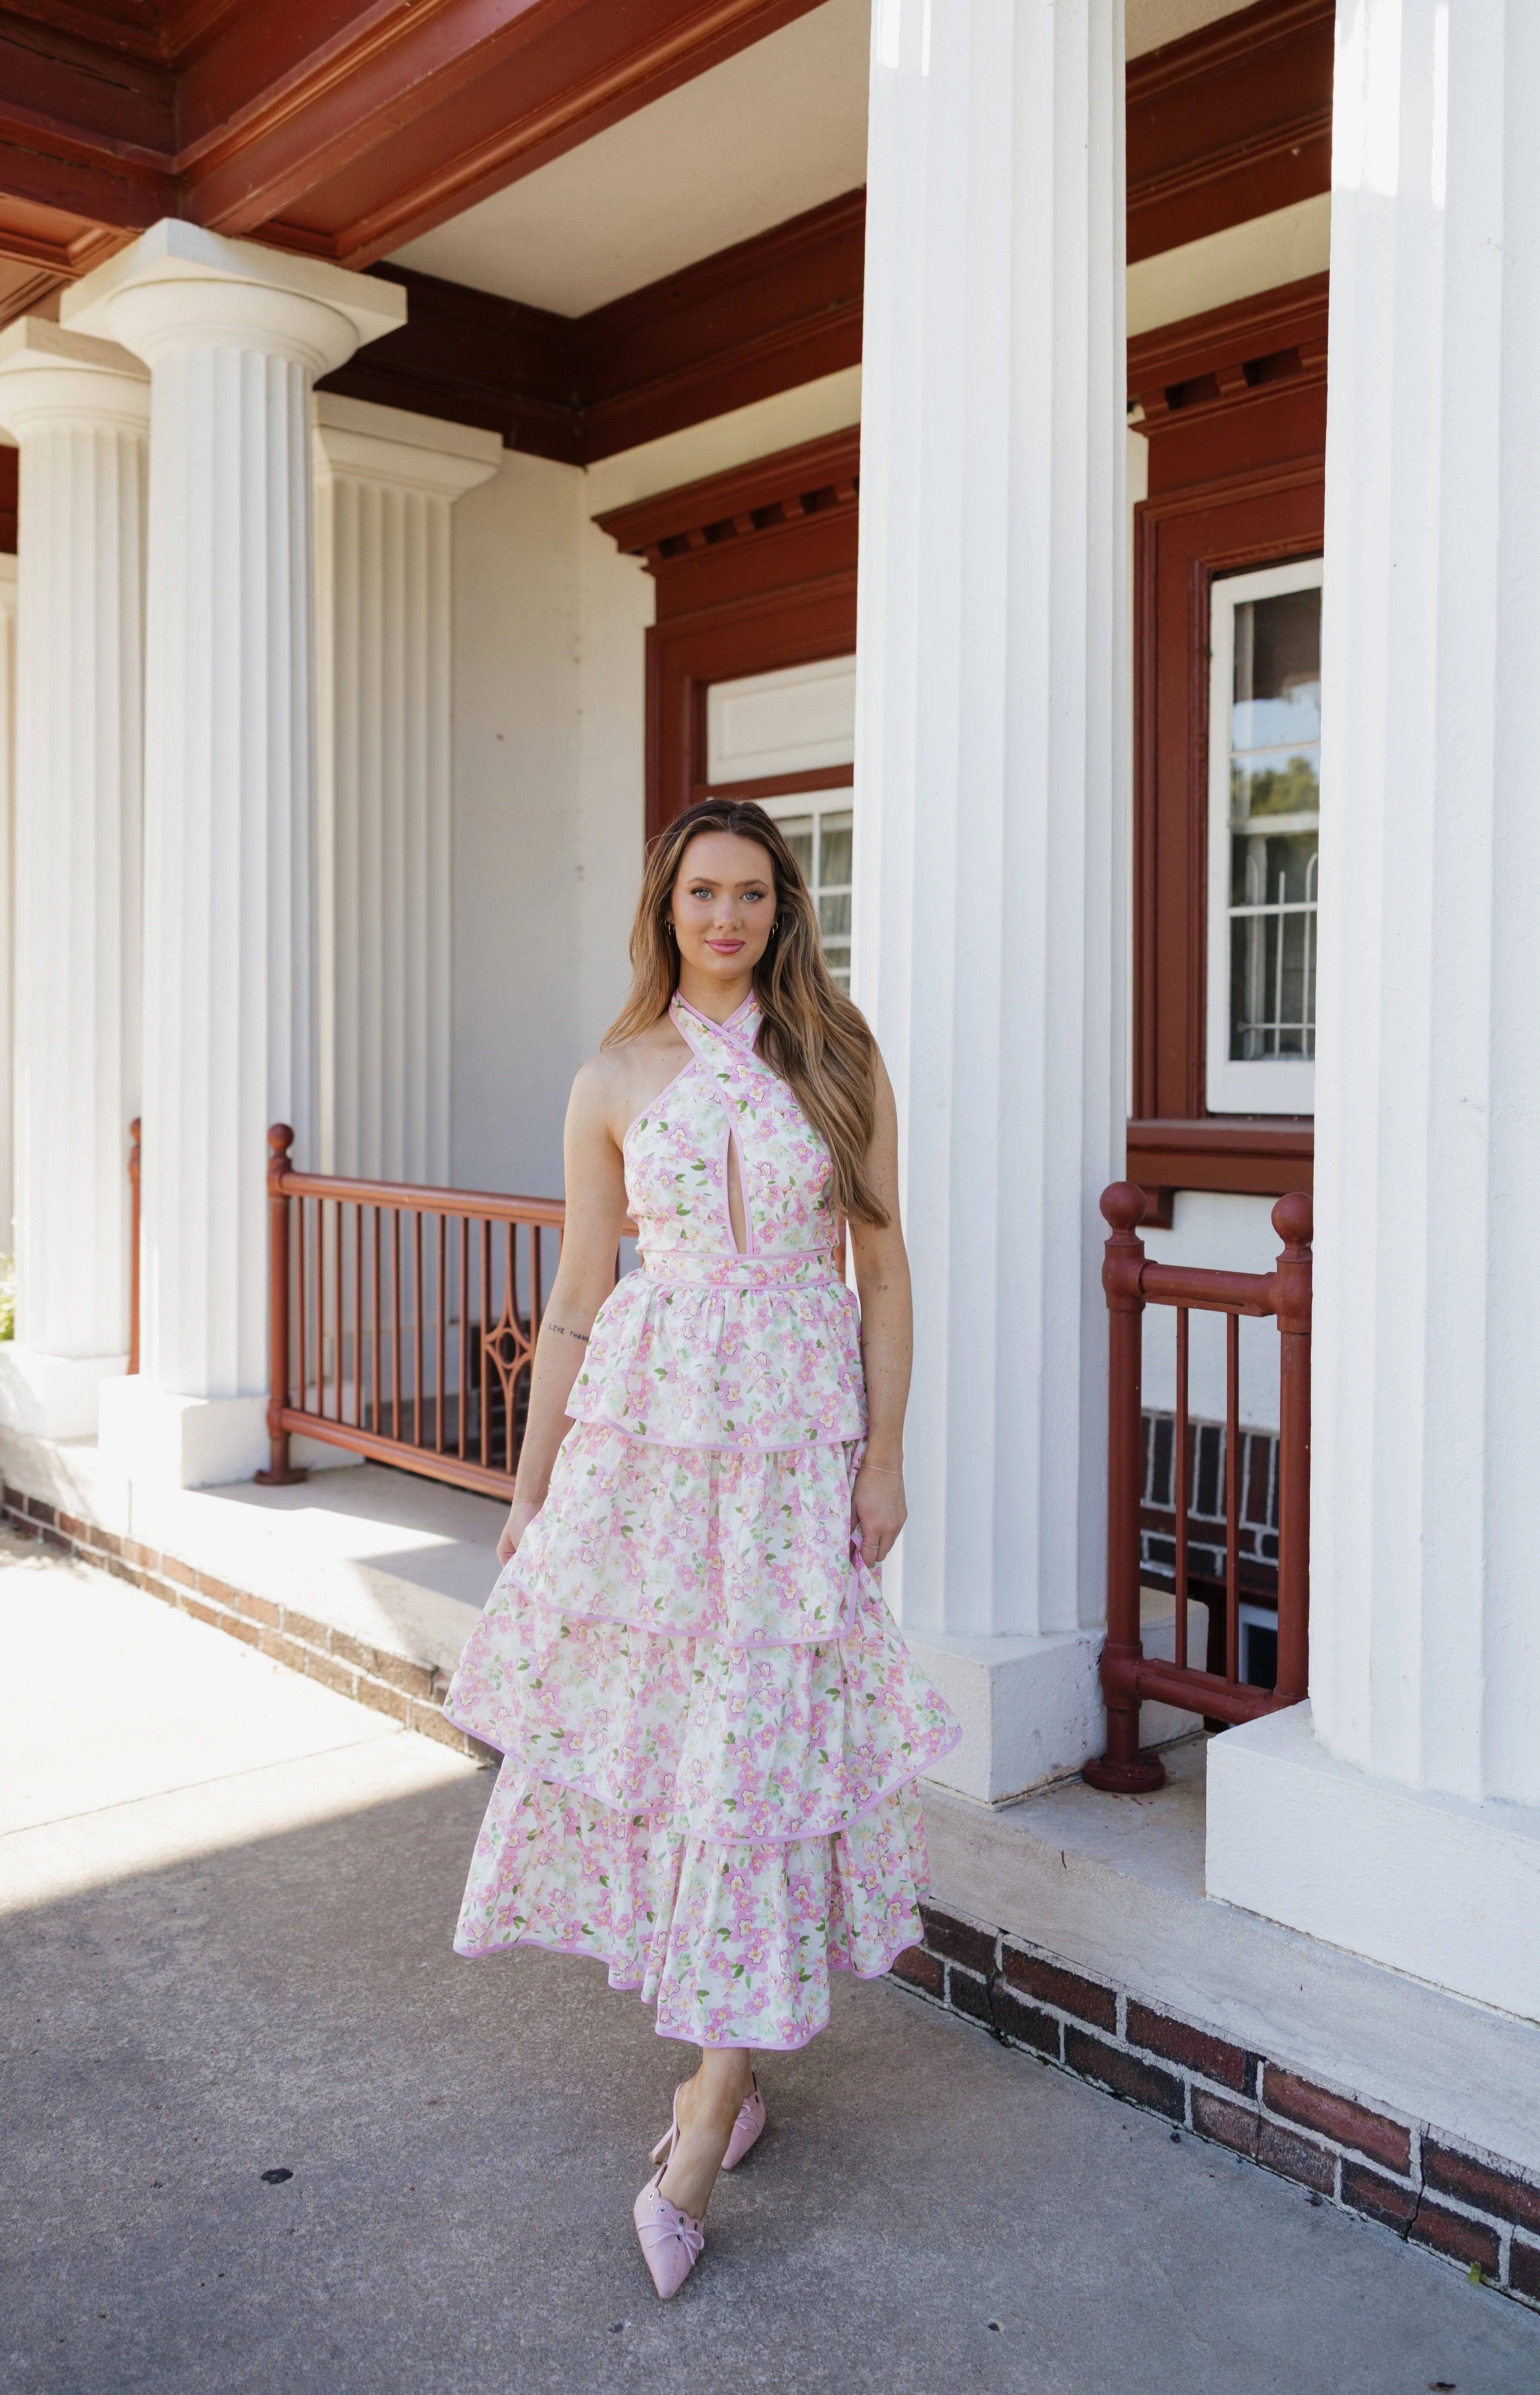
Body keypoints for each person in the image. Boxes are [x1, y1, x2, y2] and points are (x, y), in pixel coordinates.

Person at [442, 796, 959, 2299]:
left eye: (751, 894)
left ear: (786, 908)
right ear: (665, 912)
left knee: (765, 1762)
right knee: (691, 1764)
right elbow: (580, 1304)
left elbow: (882, 1276)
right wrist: (529, 1498)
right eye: (700, 896)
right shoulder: (614, 1075)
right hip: (652, 1467)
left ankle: (701, 2124)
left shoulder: (837, 1058)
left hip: (794, 1465)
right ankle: (716, 2078)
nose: (726, 919)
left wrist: (883, 1454)